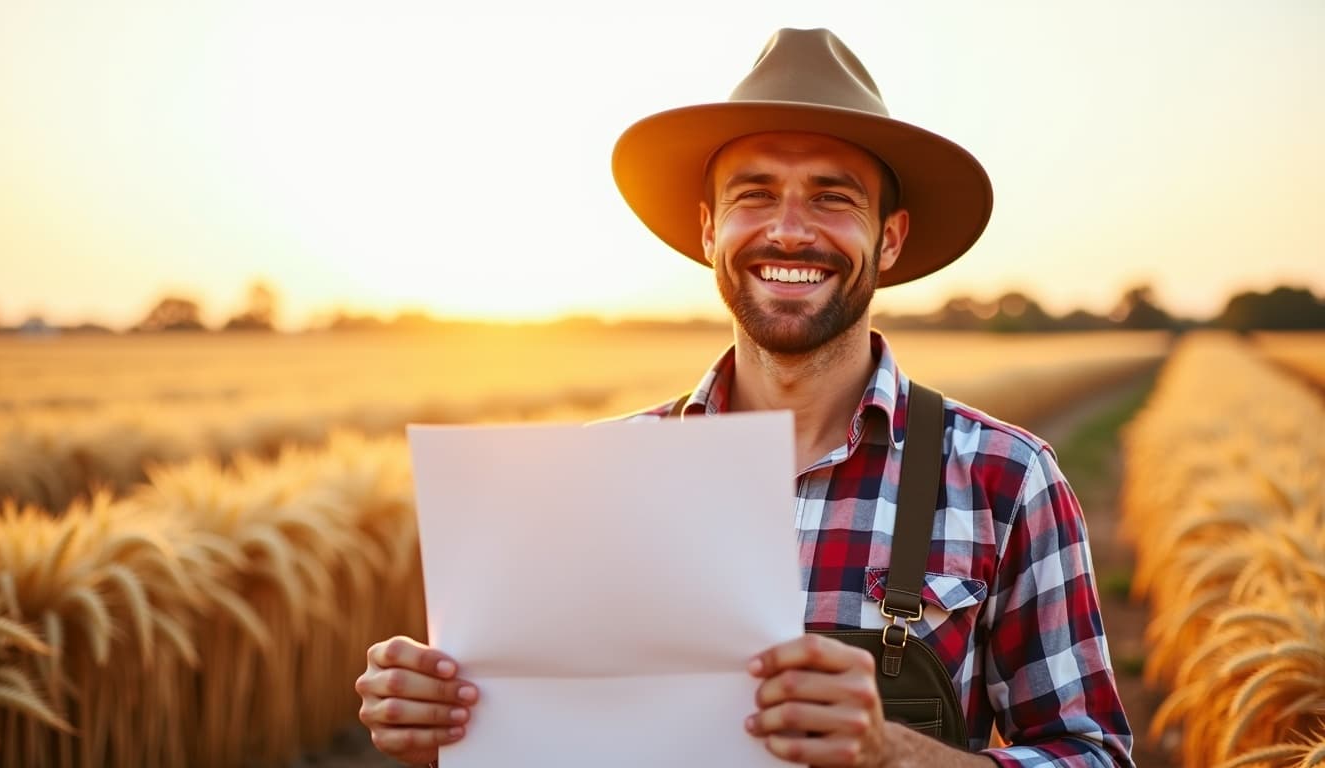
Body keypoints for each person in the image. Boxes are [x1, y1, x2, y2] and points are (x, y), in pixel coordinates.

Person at [355, 28, 1135, 767]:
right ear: (709, 230)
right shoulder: (595, 475)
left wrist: (893, 752)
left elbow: (1091, 753)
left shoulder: (1007, 479)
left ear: (889, 239)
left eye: (832, 198)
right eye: (754, 194)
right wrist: (448, 736)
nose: (790, 232)